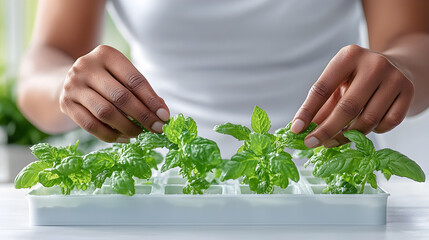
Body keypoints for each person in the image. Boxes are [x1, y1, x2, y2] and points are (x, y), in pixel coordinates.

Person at [17, 0, 429, 157]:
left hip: (328, 176)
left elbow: (412, 41)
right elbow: (46, 58)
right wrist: (65, 88)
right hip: (162, 180)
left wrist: (402, 70)